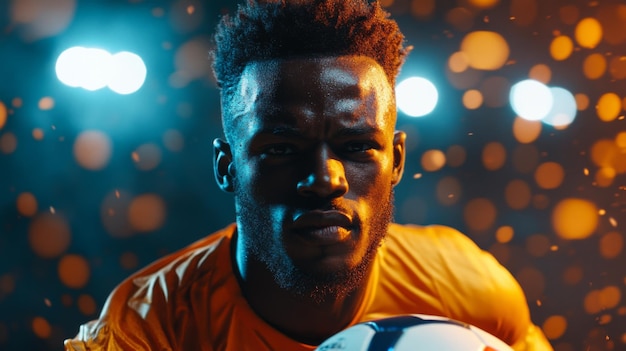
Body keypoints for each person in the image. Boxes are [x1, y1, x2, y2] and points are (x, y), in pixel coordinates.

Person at [65, 0, 553, 350]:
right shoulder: (149, 330)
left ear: (397, 163)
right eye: (282, 148)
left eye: (358, 147)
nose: (325, 179)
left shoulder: (468, 290)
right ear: (227, 168)